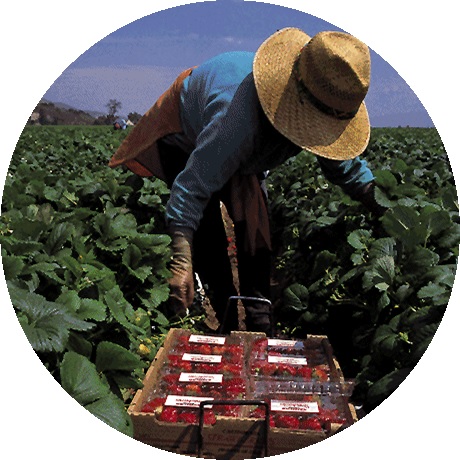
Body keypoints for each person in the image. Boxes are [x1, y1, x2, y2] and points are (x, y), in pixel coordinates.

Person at [108, 27, 381, 335]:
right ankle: (224, 320)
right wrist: (182, 262)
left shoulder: (322, 95)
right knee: (210, 240)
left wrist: (383, 205)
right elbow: (190, 191)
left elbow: (343, 166)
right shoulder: (235, 120)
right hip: (188, 139)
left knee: (257, 236)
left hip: (243, 143)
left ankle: (259, 321)